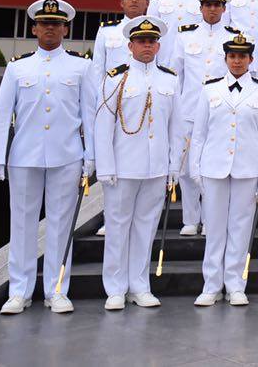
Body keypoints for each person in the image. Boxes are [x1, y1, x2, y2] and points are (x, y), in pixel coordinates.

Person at [0, 0, 92, 315]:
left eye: (56, 24)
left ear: (65, 29)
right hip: (24, 156)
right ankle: (18, 291)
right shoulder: (17, 67)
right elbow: (2, 115)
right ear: (34, 29)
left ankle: (56, 290)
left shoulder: (81, 67)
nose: (50, 28)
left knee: (61, 227)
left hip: (67, 155)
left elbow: (90, 115)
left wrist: (91, 157)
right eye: (44, 23)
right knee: (22, 226)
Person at [94, 16, 183, 311]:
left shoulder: (169, 79)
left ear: (158, 46)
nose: (147, 46)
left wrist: (173, 166)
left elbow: (176, 126)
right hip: (122, 167)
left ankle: (140, 286)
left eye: (151, 41)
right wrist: (105, 167)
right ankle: (115, 288)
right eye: (141, 41)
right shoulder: (115, 78)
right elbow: (102, 126)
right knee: (117, 228)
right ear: (130, 45)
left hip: (156, 167)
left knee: (146, 228)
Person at [188, 33, 258, 307]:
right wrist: (194, 167)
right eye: (233, 56)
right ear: (225, 59)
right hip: (214, 167)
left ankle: (236, 284)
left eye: (242, 56)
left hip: (247, 169)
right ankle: (211, 285)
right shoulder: (210, 90)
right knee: (214, 228)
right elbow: (199, 134)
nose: (237, 61)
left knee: (240, 228)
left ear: (251, 59)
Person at [172, 0, 242, 236]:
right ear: (200, 7)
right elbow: (176, 75)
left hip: (220, 111)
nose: (212, 9)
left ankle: (211, 218)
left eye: (217, 4)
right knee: (187, 168)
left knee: (214, 167)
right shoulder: (185, 35)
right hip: (189, 109)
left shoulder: (234, 36)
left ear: (224, 8)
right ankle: (191, 219)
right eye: (208, 4)